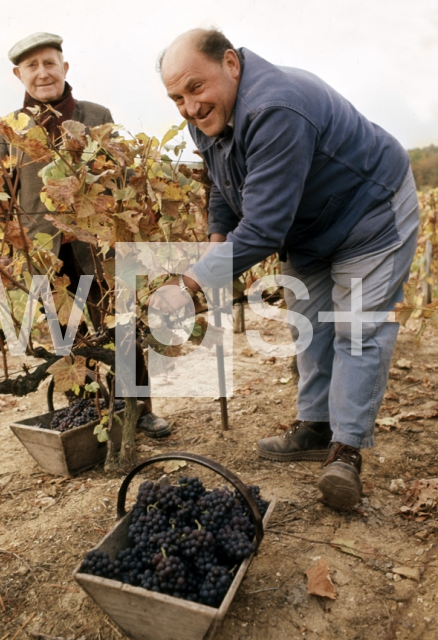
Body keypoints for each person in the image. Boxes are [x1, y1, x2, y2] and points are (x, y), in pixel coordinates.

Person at [156, 28, 419, 508]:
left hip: (369, 213)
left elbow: (263, 228)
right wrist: (217, 243)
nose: (189, 107)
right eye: (177, 97)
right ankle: (316, 427)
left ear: (231, 64)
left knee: (355, 329)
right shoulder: (207, 118)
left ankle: (346, 450)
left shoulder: (275, 109)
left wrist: (189, 282)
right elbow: (222, 184)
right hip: (312, 226)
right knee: (310, 325)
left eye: (195, 88)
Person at [0, 32, 170, 438]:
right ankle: (87, 411)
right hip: (46, 251)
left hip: (98, 245)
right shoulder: (8, 128)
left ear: (65, 67)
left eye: (49, 63)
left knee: (120, 326)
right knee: (66, 336)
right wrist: (9, 247)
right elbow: (5, 193)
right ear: (18, 74)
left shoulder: (96, 114)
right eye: (32, 67)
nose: (42, 73)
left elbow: (119, 176)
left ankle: (139, 409)